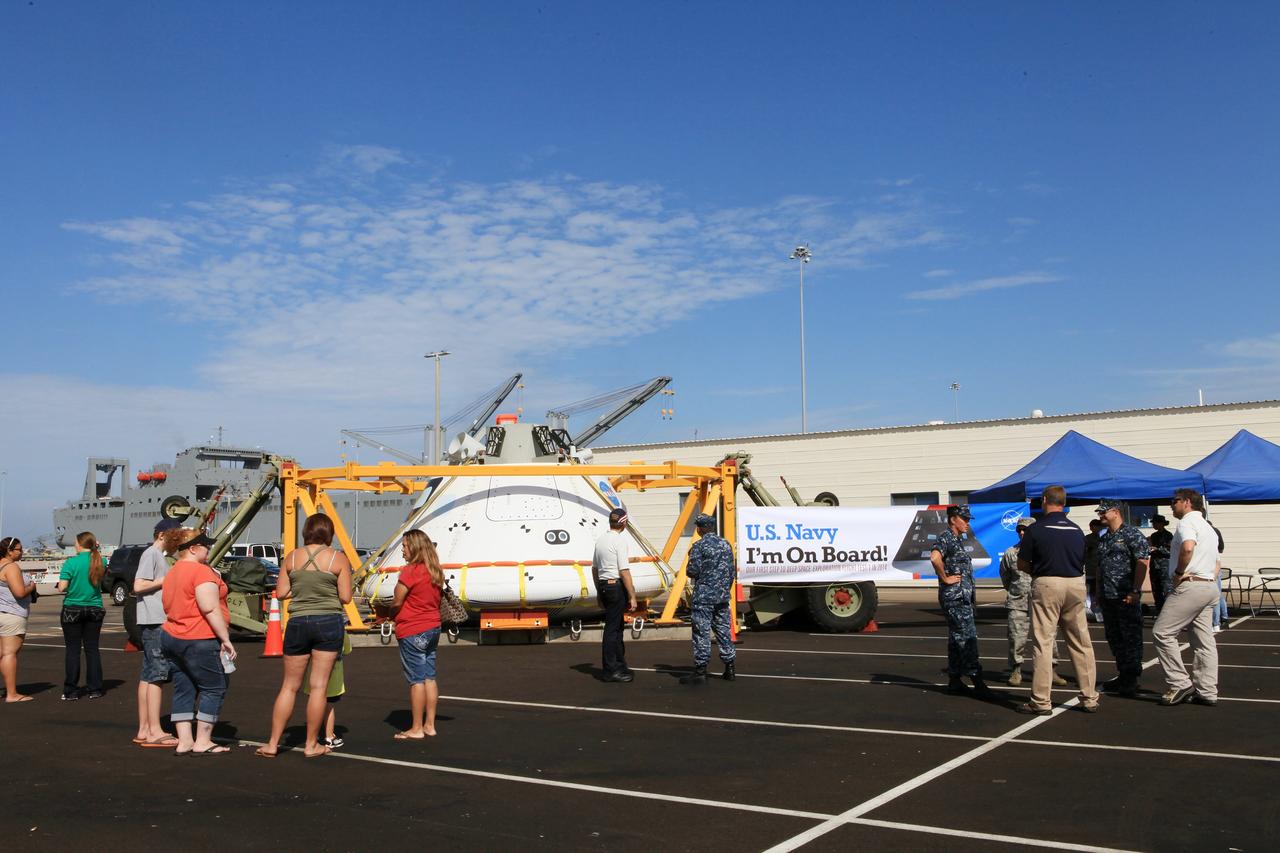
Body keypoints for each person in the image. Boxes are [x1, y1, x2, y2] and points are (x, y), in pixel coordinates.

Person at [259, 513, 353, 758]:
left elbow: (281, 593)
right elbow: (345, 597)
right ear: (328, 533)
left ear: (306, 532)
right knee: (319, 687)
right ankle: (311, 745)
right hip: (328, 621)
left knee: (289, 686)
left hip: (298, 622)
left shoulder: (292, 557)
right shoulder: (337, 558)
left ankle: (272, 744)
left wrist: (302, 589)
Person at [1015, 485, 1099, 715]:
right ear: (1064, 502)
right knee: (1081, 641)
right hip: (1075, 583)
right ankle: (1089, 697)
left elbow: (1022, 563)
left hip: (1047, 583)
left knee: (1043, 642)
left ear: (1044, 500)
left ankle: (1041, 701)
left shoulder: (1036, 529)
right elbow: (1082, 559)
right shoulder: (1076, 529)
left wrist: (1037, 572)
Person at [160, 529, 236, 754]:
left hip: (172, 635)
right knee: (215, 687)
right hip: (198, 637)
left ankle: (185, 741)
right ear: (193, 548)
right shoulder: (201, 572)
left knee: (184, 687)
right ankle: (203, 741)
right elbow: (209, 607)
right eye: (205, 545)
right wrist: (225, 639)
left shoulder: (173, 571)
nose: (209, 548)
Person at [1153, 489, 1220, 706]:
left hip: (1191, 586)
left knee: (1162, 633)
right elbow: (1217, 562)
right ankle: (1207, 691)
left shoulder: (1187, 522)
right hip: (1208, 585)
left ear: (1187, 502)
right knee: (1204, 641)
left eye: (1174, 501)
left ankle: (1179, 682)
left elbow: (1188, 548)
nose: (1171, 505)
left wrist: (1179, 573)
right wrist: (1207, 577)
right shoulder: (1208, 528)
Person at [930, 506, 991, 696]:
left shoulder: (956, 539)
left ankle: (955, 680)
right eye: (964, 519)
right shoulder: (946, 537)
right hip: (955, 598)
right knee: (967, 637)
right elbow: (935, 558)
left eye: (968, 520)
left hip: (960, 597)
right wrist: (945, 578)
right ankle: (978, 682)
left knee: (956, 638)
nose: (967, 523)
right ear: (953, 519)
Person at [998, 520, 1067, 687]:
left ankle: (1051, 670)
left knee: (1049, 638)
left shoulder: (1045, 551)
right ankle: (1016, 670)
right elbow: (1005, 577)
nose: (1022, 533)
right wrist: (1017, 591)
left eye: (1025, 530)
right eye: (1019, 530)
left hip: (1042, 602)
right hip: (1018, 603)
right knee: (1016, 638)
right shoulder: (1011, 553)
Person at [389, 529, 443, 740]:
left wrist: (390, 614)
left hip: (413, 629)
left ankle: (416, 728)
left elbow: (397, 601)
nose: (402, 550)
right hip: (433, 627)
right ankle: (429, 725)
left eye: (404, 546)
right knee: (429, 677)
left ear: (414, 547)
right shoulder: (435, 570)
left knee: (416, 680)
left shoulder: (410, 572)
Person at [131, 518, 181, 746]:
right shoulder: (151, 554)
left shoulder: (158, 555)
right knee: (158, 674)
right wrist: (165, 579)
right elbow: (138, 585)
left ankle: (144, 729)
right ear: (162, 535)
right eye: (174, 537)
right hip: (155, 620)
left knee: (148, 674)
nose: (176, 542)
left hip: (153, 619)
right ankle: (154, 731)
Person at [1094, 500, 1150, 698]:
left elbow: (1142, 562)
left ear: (1116, 512)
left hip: (1125, 595)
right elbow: (1100, 566)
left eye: (1104, 512)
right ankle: (1123, 673)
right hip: (1108, 596)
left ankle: (1131, 678)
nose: (1100, 515)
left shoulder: (1132, 534)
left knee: (1130, 637)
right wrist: (1098, 592)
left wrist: (1135, 590)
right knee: (1114, 637)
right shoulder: (1105, 538)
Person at [680, 514, 738, 685]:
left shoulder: (699, 546)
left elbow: (692, 571)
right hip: (722, 596)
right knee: (723, 630)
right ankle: (730, 668)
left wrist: (691, 558)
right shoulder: (725, 544)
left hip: (704, 597)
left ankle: (700, 670)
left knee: (701, 632)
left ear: (700, 528)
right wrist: (723, 589)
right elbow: (731, 572)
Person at [57, 531, 107, 701]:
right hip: (94, 608)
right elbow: (99, 559)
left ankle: (71, 690)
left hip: (72, 608)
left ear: (79, 544)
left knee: (73, 650)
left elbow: (62, 587)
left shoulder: (71, 563)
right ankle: (95, 688)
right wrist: (96, 548)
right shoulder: (100, 561)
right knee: (92, 649)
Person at [592, 507, 637, 683]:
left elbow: (594, 569)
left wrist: (599, 592)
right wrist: (632, 595)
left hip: (604, 585)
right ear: (624, 523)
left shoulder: (600, 540)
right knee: (613, 630)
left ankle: (619, 665)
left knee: (616, 628)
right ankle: (611, 670)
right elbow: (624, 571)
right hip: (615, 586)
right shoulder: (619, 541)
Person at [1, 537, 38, 703]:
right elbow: (20, 592)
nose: (22, 552)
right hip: (12, 615)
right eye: (19, 549)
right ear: (9, 551)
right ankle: (12, 694)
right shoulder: (11, 567)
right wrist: (31, 586)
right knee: (9, 653)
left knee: (2, 653)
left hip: (1, 613)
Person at [303, 630, 351, 748]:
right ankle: (329, 736)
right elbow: (347, 650)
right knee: (328, 706)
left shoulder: (312, 630)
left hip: (314, 674)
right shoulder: (340, 631)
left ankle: (312, 735)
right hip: (332, 677)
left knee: (314, 702)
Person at [1147, 514, 1174, 612]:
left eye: (1155, 523)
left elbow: (1171, 550)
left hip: (1164, 566)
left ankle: (1169, 611)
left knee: (1167, 589)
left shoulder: (1168, 535)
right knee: (1156, 589)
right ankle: (1160, 610)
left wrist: (1158, 549)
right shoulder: (1154, 536)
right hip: (1155, 566)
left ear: (1161, 524)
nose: (1154, 525)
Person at [1083, 518, 1105, 622]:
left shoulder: (1105, 538)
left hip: (1102, 571)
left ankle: (1099, 611)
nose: (1094, 529)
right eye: (1092, 527)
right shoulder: (1087, 539)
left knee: (1099, 591)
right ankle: (1092, 611)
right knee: (1090, 591)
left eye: (1097, 526)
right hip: (1090, 570)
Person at [1209, 520, 1228, 633]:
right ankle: (1224, 617)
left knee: (1215, 595)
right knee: (1218, 594)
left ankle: (1216, 623)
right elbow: (1221, 548)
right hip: (1215, 564)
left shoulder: (1207, 531)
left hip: (1210, 566)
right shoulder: (1215, 531)